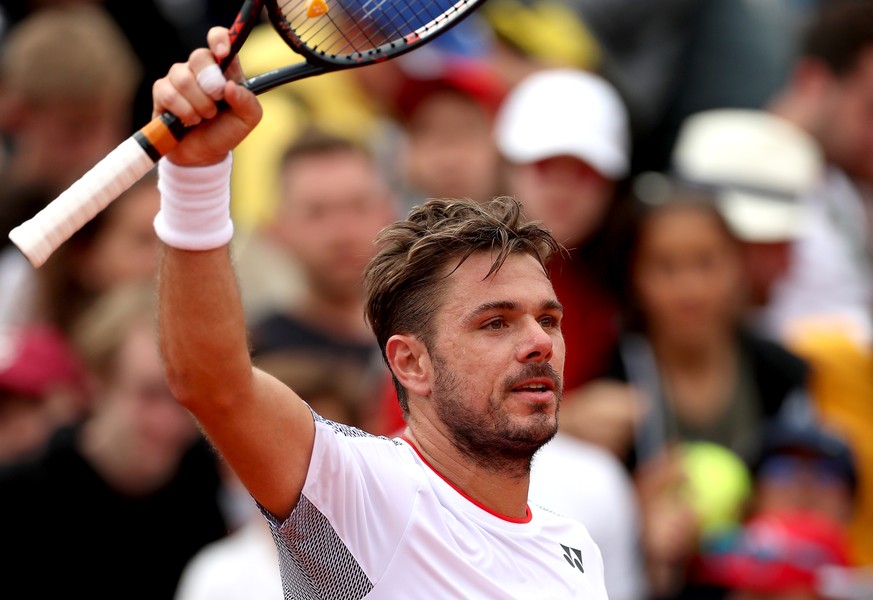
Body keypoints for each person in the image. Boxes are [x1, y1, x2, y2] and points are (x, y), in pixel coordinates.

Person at [151, 26, 609, 597]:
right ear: (411, 363)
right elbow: (210, 380)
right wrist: (196, 173)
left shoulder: (577, 552)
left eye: (548, 320)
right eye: (495, 322)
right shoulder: (361, 493)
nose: (539, 342)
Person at [0, 282, 230, 598]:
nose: (169, 423)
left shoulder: (216, 483)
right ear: (97, 383)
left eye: (189, 403)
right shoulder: (21, 494)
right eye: (149, 395)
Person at [241, 128, 401, 434]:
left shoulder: (427, 332)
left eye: (359, 206)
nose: (342, 232)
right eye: (317, 213)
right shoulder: (256, 356)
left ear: (389, 212)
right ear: (277, 229)